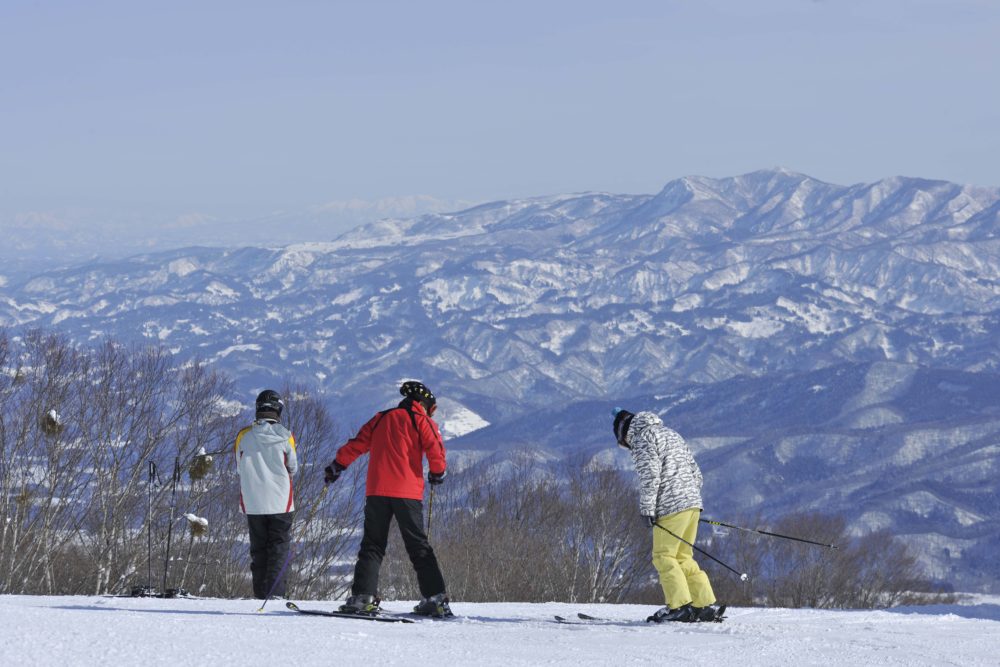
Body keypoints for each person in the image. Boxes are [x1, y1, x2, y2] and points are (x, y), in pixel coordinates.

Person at [324, 381, 451, 617]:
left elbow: (358, 443)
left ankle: (363, 597)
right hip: (407, 492)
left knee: (372, 544)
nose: (430, 413)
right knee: (418, 545)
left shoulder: (381, 418)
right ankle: (435, 598)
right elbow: (435, 449)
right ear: (423, 404)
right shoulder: (421, 420)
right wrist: (437, 473)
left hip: (377, 490)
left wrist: (337, 465)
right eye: (431, 409)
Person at [613, 407, 722, 623]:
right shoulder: (672, 434)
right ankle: (703, 605)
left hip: (670, 505)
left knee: (664, 556)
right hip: (692, 504)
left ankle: (679, 606)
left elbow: (650, 476)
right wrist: (688, 501)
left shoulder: (644, 438)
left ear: (625, 433)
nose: (627, 446)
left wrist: (647, 509)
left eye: (624, 443)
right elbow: (695, 473)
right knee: (683, 556)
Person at [235, 389, 298, 600]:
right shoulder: (286, 436)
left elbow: (239, 466)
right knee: (279, 548)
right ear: (278, 410)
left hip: (253, 501)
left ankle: (260, 593)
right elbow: (293, 467)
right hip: (281, 501)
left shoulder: (243, 436)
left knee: (259, 550)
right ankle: (276, 594)